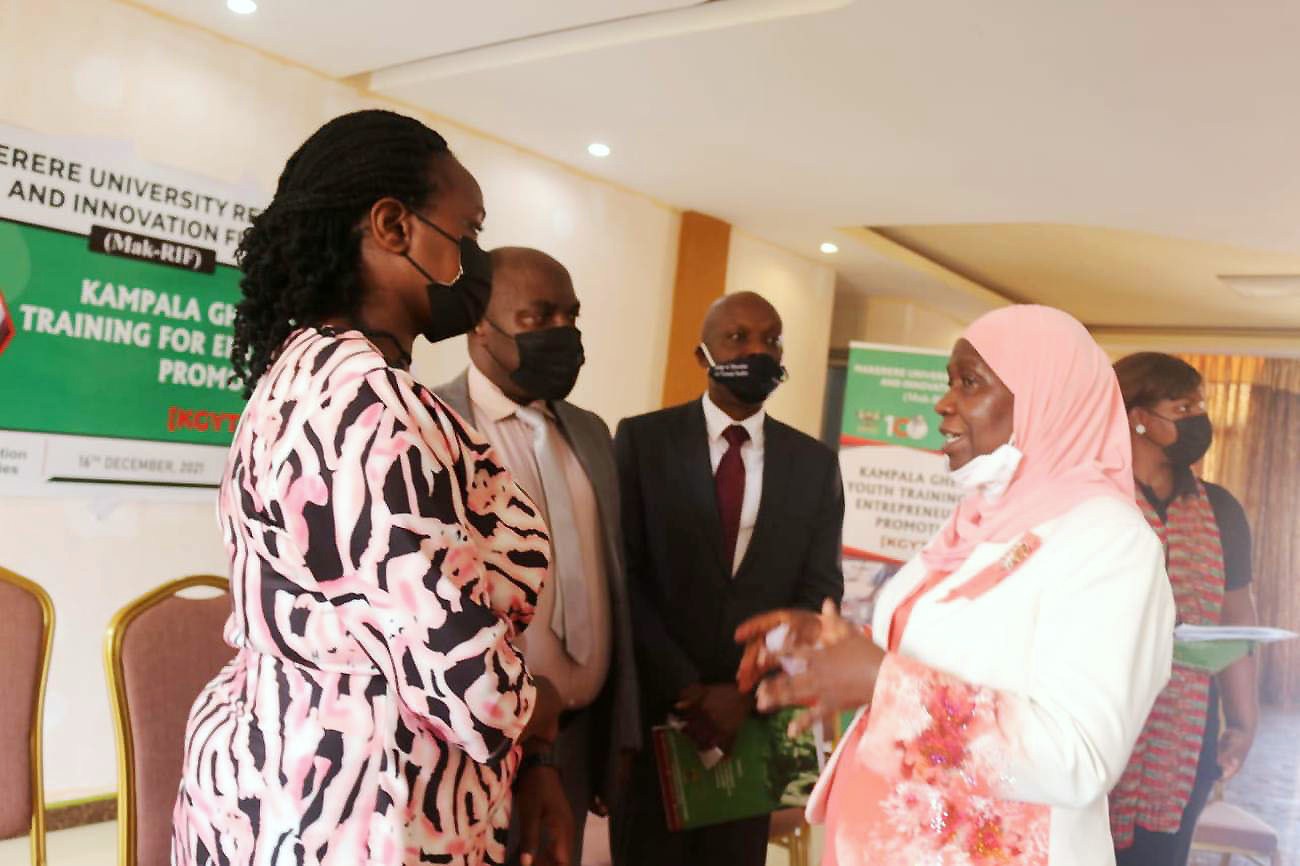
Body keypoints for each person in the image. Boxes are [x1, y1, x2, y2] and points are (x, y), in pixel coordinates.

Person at [171, 110, 572, 866]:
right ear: (392, 225)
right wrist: (539, 706)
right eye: (468, 231)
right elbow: (466, 685)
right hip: (362, 807)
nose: (478, 260)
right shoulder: (373, 405)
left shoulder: (299, 373)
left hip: (278, 778)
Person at [737, 305, 1176, 866]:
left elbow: (1080, 754)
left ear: (1047, 399)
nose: (944, 403)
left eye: (971, 383)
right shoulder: (977, 522)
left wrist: (881, 682)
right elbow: (948, 649)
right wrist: (840, 644)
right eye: (949, 382)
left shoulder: (1110, 541)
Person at [612, 291, 844, 866]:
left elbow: (818, 592)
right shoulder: (642, 441)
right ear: (703, 353)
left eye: (771, 338)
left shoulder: (813, 464)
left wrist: (742, 692)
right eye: (738, 338)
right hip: (655, 716)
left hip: (752, 722)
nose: (757, 350)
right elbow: (624, 574)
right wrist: (689, 689)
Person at [433, 247, 641, 863]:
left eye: (571, 317)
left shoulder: (592, 433)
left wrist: (618, 730)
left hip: (581, 737)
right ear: (478, 321)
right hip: (479, 738)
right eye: (539, 316)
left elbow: (612, 579)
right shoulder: (435, 424)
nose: (564, 333)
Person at [1109, 352, 1260, 865]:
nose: (1199, 418)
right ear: (1137, 417)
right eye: (1184, 405)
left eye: (1201, 404)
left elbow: (1235, 618)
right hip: (1099, 721)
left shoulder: (1219, 509)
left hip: (1185, 731)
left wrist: (1243, 722)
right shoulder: (1092, 503)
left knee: (1163, 856)